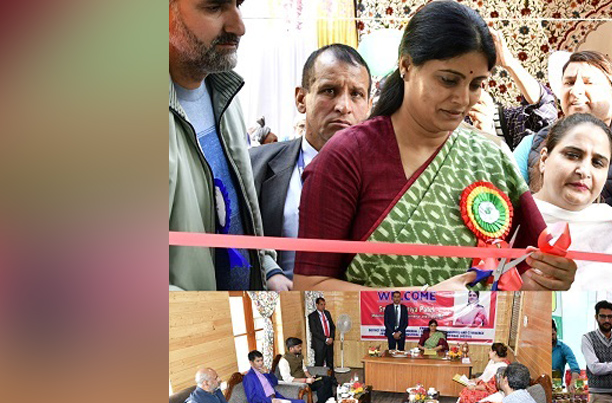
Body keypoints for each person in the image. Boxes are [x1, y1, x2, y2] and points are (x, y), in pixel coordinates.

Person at [293, 1, 575, 291]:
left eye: (476, 84)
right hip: (384, 336)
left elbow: (532, 263)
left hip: (482, 335)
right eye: (448, 80)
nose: (463, 99)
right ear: (406, 66)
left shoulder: (491, 158)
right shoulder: (348, 155)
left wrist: (550, 275)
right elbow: (309, 285)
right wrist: (420, 301)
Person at [169, 0, 288, 292]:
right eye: (213, 7)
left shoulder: (224, 93)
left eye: (238, 4)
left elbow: (236, 211)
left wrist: (267, 268)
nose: (239, 26)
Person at [250, 44, 372, 281]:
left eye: (356, 94)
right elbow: (229, 238)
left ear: (369, 105)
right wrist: (269, 271)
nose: (343, 106)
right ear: (301, 99)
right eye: (329, 91)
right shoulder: (254, 166)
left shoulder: (387, 177)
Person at [515, 51, 612, 227]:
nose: (575, 91)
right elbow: (506, 208)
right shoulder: (531, 144)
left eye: (588, 82)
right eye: (569, 82)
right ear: (544, 158)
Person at [532, 114, 612, 290]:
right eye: (572, 155)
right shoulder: (507, 220)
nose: (584, 171)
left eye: (598, 163)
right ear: (544, 160)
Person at [462, 28, 558, 150]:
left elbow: (544, 112)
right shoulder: (441, 123)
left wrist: (509, 63)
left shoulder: (507, 122)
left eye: (475, 82)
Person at [446, 342, 510, 403]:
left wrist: (475, 387)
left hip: (495, 392)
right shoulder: (493, 361)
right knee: (467, 389)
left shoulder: (502, 367)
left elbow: (492, 387)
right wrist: (475, 380)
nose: (488, 352)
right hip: (486, 386)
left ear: (494, 352)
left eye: (490, 350)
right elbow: (484, 376)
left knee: (470, 393)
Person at [279, 336, 336, 403]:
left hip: (306, 380)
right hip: (298, 384)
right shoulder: (284, 361)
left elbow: (304, 370)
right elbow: (288, 379)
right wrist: (306, 381)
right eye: (298, 347)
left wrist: (310, 377)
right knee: (321, 384)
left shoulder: (299, 356)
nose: (300, 348)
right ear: (291, 349)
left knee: (327, 379)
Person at [308, 296, 336, 370]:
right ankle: (319, 380)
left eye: (324, 304)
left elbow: (333, 327)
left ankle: (331, 379)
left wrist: (331, 338)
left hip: (329, 343)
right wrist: (326, 339)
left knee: (330, 363)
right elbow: (314, 331)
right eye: (321, 304)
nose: (323, 306)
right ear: (317, 305)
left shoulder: (327, 313)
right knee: (319, 364)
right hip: (319, 344)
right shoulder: (312, 316)